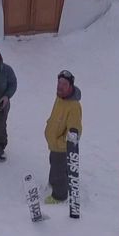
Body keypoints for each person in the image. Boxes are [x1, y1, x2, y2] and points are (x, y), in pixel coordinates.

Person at [43, 69, 82, 203]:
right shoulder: (60, 97)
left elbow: (74, 131)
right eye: (59, 82)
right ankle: (54, 184)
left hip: (62, 147)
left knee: (59, 171)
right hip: (54, 145)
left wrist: (61, 143)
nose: (60, 86)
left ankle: (59, 197)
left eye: (64, 84)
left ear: (70, 86)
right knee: (54, 165)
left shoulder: (74, 106)